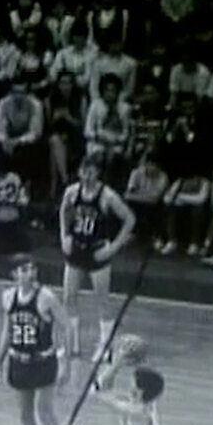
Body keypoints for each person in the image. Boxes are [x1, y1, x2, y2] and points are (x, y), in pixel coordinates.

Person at [0, 254, 71, 425]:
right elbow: (7, 330)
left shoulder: (46, 297)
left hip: (43, 360)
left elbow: (67, 327)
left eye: (32, 269)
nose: (30, 273)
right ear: (14, 274)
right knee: (24, 414)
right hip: (18, 360)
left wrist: (66, 361)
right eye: (24, 269)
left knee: (44, 410)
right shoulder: (8, 297)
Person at [58, 154, 137, 363]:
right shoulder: (72, 192)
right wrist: (64, 235)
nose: (87, 176)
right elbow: (64, 211)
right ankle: (71, 344)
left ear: (98, 173)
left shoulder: (107, 196)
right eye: (84, 171)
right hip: (76, 249)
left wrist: (114, 247)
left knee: (102, 301)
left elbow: (130, 219)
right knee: (69, 297)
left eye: (91, 172)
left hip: (97, 251)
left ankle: (105, 347)